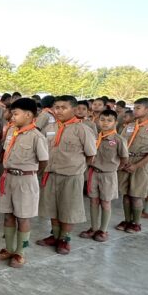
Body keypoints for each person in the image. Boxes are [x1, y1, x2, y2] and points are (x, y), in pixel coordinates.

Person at [37, 95, 96, 252]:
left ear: (74, 110)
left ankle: (65, 239)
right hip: (51, 173)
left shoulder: (82, 129)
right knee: (52, 207)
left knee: (68, 209)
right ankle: (55, 235)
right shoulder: (49, 128)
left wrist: (78, 169)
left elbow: (91, 155)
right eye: (57, 107)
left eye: (64, 108)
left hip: (71, 176)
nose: (59, 111)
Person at [0, 97, 48, 267]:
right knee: (8, 215)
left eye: (15, 114)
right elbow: (6, 151)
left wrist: (31, 174)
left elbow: (43, 161)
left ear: (28, 115)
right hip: (8, 178)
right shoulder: (12, 131)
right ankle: (9, 248)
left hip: (25, 180)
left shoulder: (36, 136)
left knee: (23, 218)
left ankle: (20, 252)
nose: (12, 117)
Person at [114, 98, 148, 234]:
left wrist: (136, 166)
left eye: (138, 108)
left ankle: (136, 223)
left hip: (142, 163)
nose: (134, 110)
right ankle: (127, 220)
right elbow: (121, 144)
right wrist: (122, 162)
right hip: (126, 161)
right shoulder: (129, 126)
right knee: (126, 194)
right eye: (134, 108)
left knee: (136, 195)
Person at [79, 109, 127, 240]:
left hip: (108, 175)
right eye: (102, 120)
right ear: (98, 121)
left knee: (105, 202)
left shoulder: (118, 140)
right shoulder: (94, 137)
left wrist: (114, 169)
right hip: (93, 173)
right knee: (93, 201)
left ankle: (103, 230)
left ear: (115, 123)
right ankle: (93, 228)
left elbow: (124, 159)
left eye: (109, 120)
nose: (105, 123)